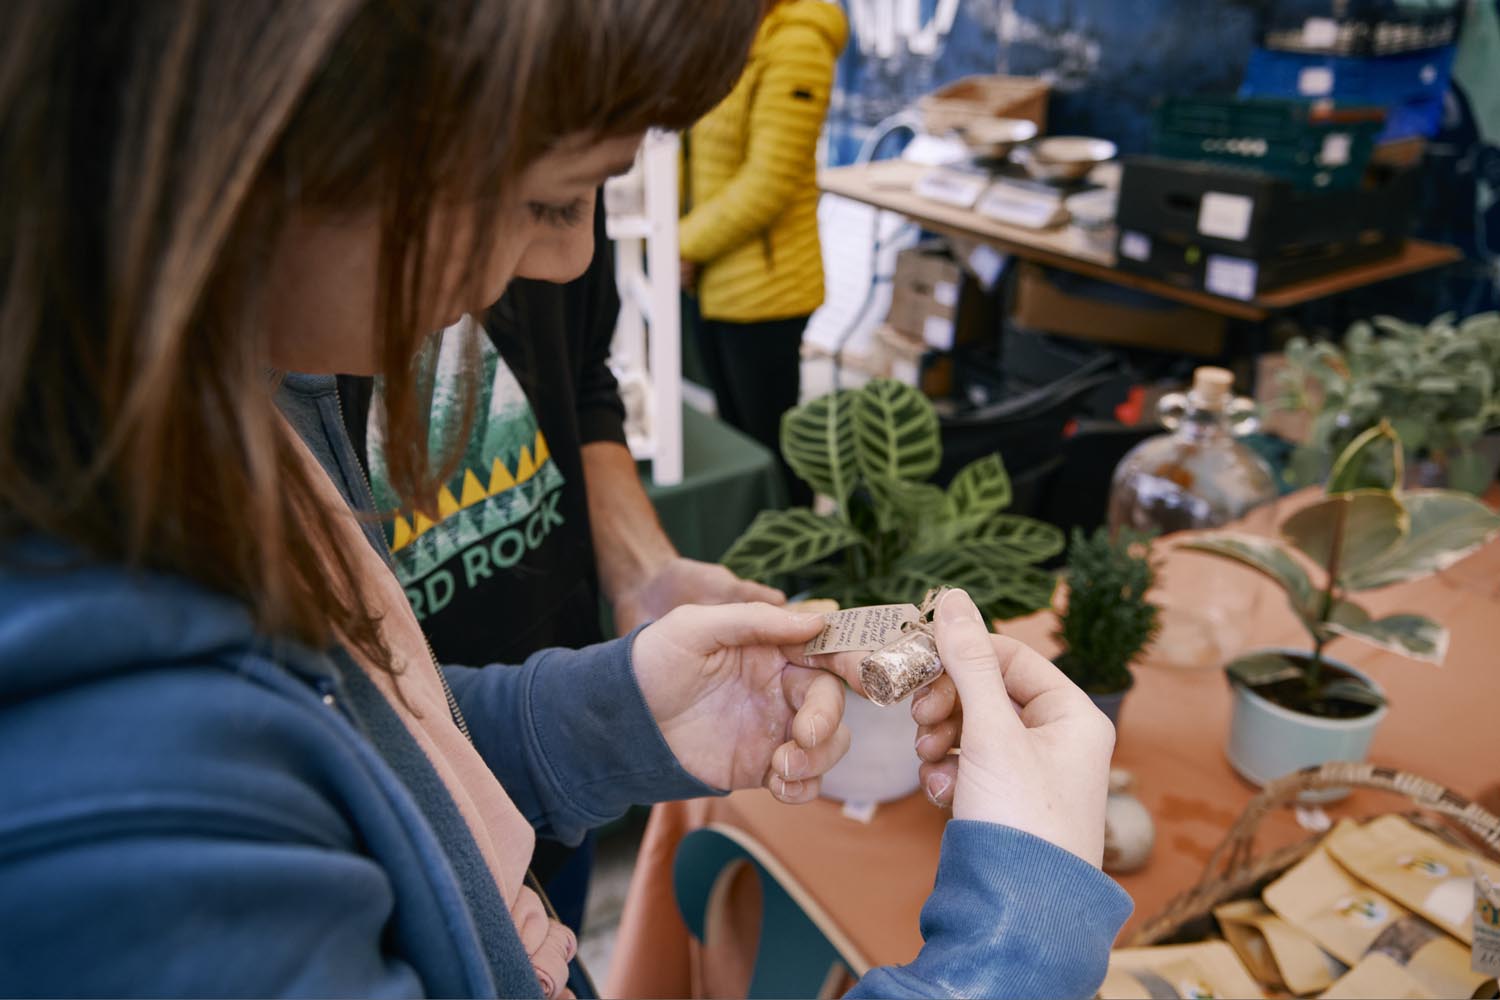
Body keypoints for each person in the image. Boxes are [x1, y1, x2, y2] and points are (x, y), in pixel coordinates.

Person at [0, 3, 1130, 998]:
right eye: (548, 197)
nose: (563, 260)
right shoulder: (120, 802)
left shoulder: (215, 419)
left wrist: (598, 721)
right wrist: (1019, 934)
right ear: (278, 122)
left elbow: (355, 742)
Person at [336, 195, 782, 938]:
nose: (569, 258)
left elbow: (580, 377)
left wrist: (643, 576)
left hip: (541, 745)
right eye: (550, 201)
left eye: (594, 191)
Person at [679, 0, 848, 505]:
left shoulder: (799, 43)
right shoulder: (729, 37)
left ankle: (800, 571)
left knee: (775, 447)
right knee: (738, 439)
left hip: (767, 287)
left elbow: (767, 183)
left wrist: (680, 243)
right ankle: (757, 564)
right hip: (709, 275)